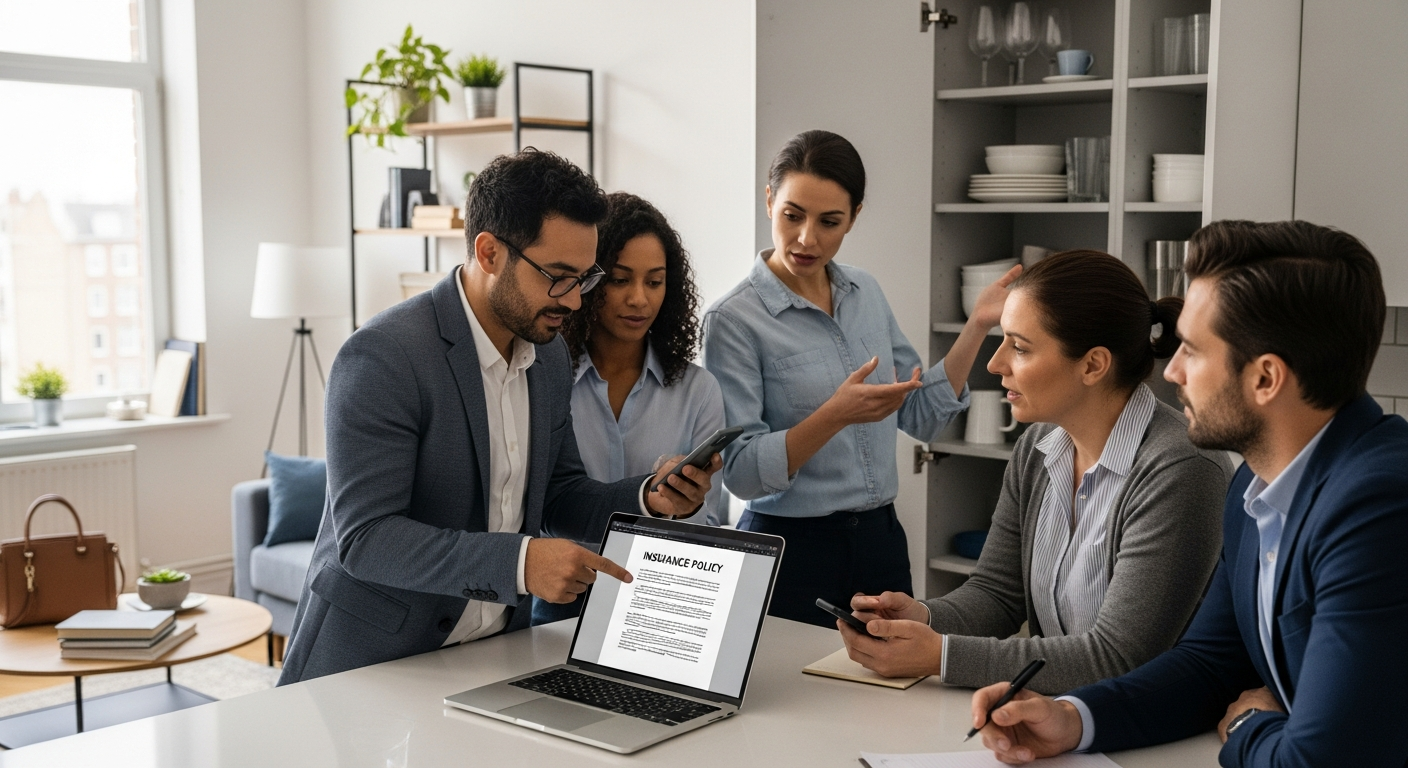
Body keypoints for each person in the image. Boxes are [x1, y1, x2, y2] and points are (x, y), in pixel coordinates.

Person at [969, 220, 1408, 768]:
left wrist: (1248, 724)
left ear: (1265, 379)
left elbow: (1320, 760)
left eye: (1193, 352)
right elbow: (1208, 665)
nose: (1170, 370)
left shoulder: (1380, 506)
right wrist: (1071, 718)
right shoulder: (1254, 481)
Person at [278, 150, 718, 684]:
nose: (576, 302)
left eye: (584, 278)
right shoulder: (381, 357)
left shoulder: (549, 356)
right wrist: (521, 563)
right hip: (371, 666)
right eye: (558, 277)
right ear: (488, 252)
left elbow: (560, 495)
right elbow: (368, 539)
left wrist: (649, 496)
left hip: (493, 657)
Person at [837, 250, 1232, 694]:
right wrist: (922, 619)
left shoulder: (1180, 467)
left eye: (1020, 347)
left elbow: (1119, 655)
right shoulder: (1038, 448)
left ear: (1093, 365)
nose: (995, 363)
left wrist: (939, 655)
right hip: (1058, 721)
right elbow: (997, 593)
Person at [702, 130, 1008, 626]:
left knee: (893, 694)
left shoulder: (865, 291)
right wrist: (835, 415)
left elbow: (923, 415)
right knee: (796, 702)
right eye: (792, 215)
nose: (807, 238)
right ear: (768, 200)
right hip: (787, 552)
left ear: (855, 217)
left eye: (830, 222)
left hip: (880, 542)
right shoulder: (733, 321)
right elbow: (740, 473)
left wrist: (977, 326)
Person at [531, 191, 727, 626]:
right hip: (560, 594)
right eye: (620, 279)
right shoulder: (544, 378)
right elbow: (541, 505)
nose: (639, 299)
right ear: (586, 279)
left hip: (661, 602)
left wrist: (686, 504)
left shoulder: (698, 390)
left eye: (654, 282)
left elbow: (708, 525)